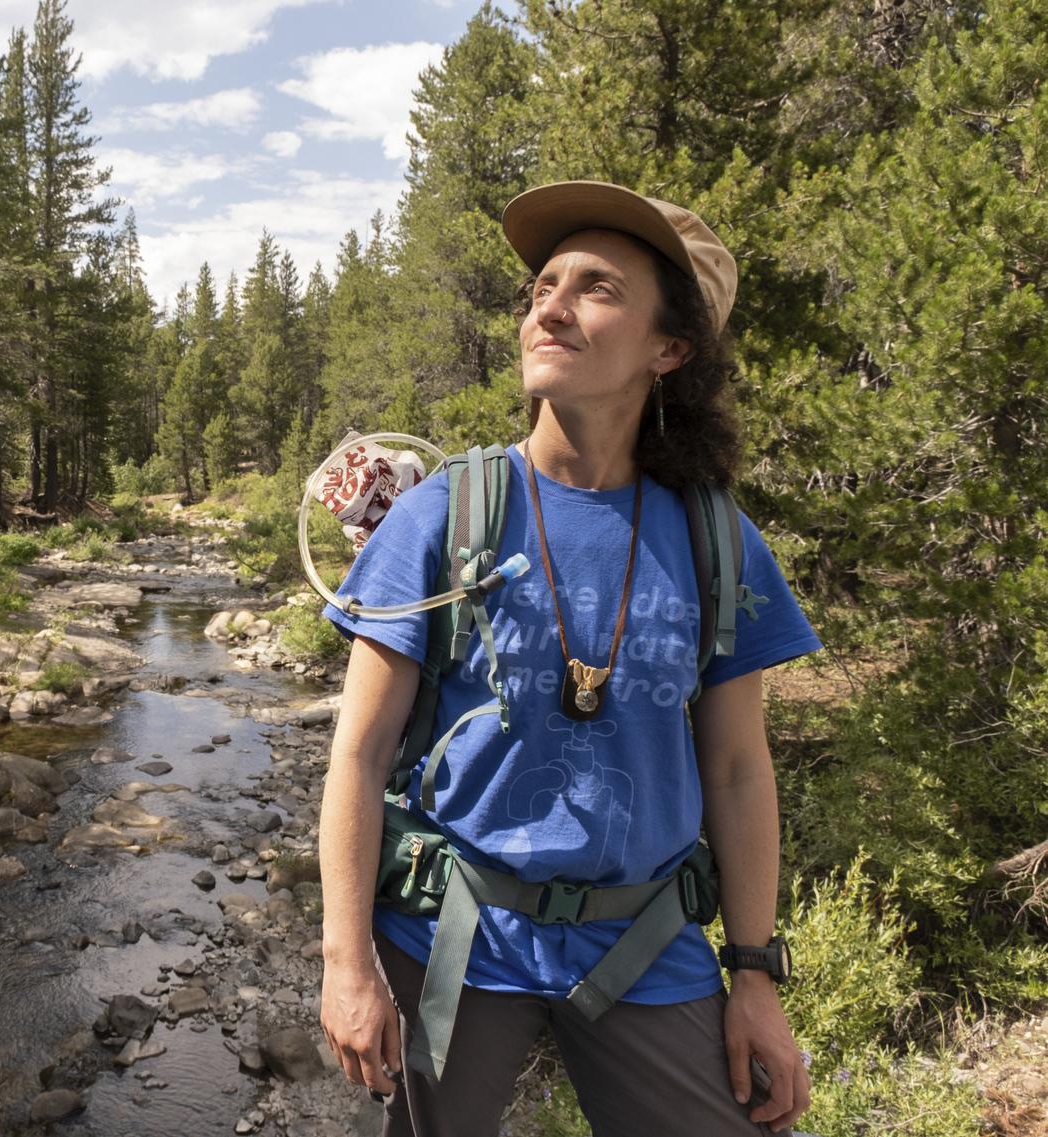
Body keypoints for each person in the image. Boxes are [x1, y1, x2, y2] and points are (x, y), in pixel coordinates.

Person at [316, 181, 821, 1137]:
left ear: (669, 350)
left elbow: (741, 768)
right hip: (456, 937)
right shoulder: (446, 515)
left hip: (646, 941)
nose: (547, 306)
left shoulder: (718, 540)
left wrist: (755, 975)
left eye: (595, 289)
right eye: (542, 286)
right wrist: (348, 960)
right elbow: (359, 753)